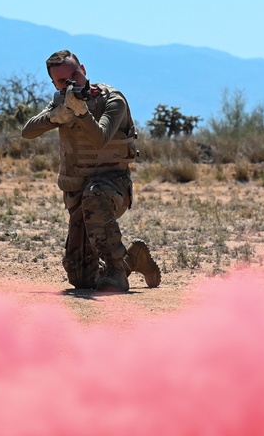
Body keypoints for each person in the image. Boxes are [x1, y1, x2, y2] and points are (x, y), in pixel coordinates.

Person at [21, 50, 161, 292]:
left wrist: (82, 113)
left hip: (113, 188)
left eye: (75, 75)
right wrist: (55, 117)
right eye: (63, 81)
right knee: (82, 278)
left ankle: (117, 268)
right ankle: (134, 258)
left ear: (84, 70)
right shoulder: (60, 103)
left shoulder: (113, 100)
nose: (72, 83)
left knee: (95, 193)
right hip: (77, 193)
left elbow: (101, 139)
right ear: (54, 84)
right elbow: (27, 131)